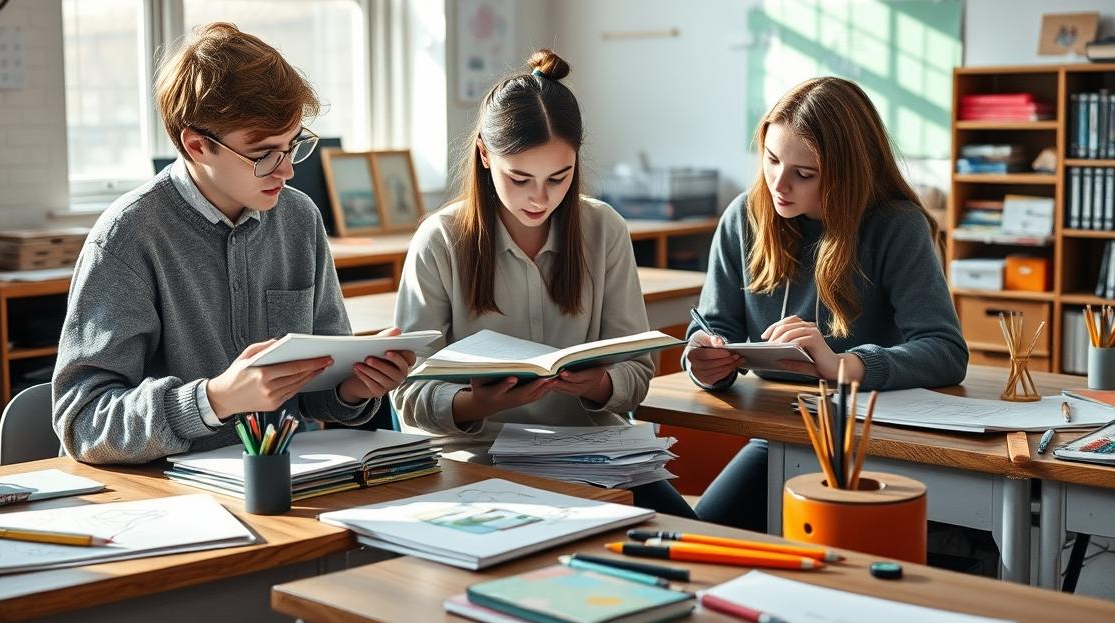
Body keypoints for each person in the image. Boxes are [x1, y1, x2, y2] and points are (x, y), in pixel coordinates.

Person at [53, 22, 413, 464]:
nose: (287, 171)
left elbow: (319, 398)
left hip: (285, 479)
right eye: (263, 155)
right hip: (165, 499)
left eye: (292, 145)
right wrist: (215, 399)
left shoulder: (298, 219)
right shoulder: (128, 237)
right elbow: (84, 422)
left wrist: (354, 388)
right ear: (197, 145)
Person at [392, 49, 694, 517]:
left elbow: (637, 371)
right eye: (520, 178)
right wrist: (475, 403)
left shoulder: (603, 229)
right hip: (478, 460)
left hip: (590, 455)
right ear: (484, 156)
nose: (539, 198)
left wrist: (598, 384)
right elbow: (408, 392)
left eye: (559, 177)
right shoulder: (441, 239)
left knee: (687, 537)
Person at [686, 76, 968, 531]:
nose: (779, 184)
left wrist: (844, 366)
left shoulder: (897, 227)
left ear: (848, 172)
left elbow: (946, 351)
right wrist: (704, 362)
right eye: (772, 159)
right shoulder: (743, 216)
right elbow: (711, 327)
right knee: (702, 533)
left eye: (805, 173)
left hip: (877, 436)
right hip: (782, 433)